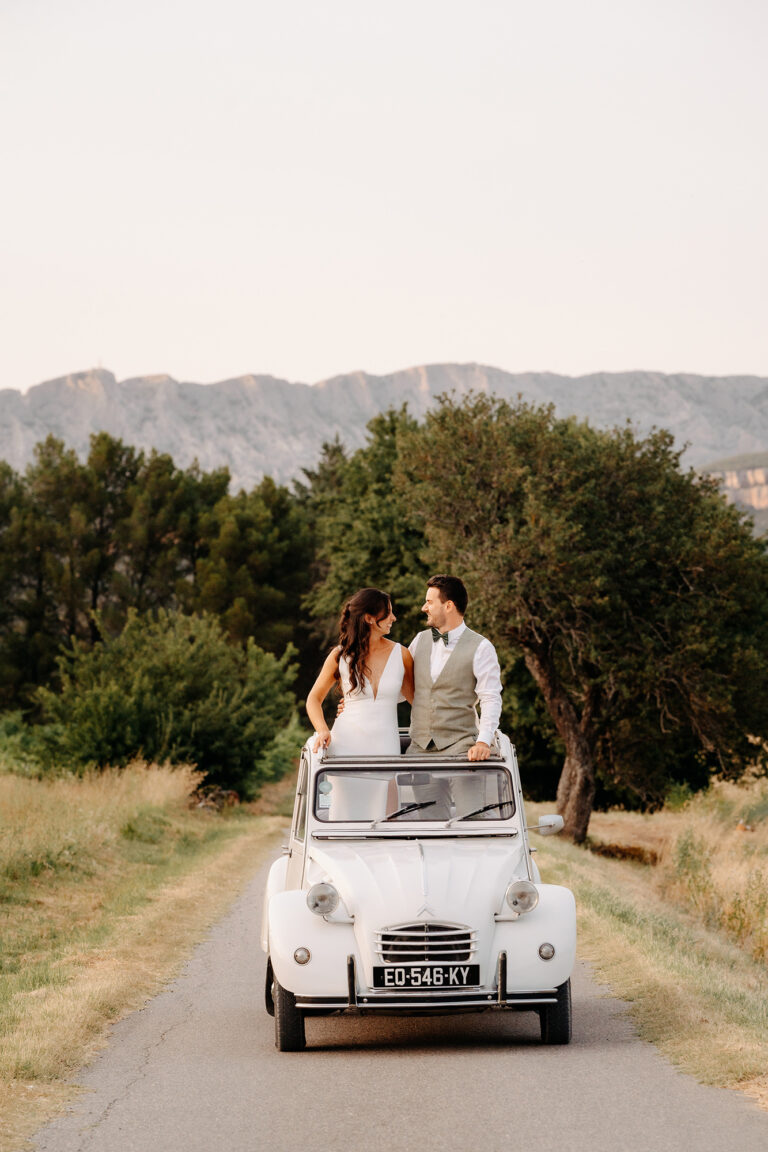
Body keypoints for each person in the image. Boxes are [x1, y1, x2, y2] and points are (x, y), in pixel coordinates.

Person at [306, 587, 414, 755]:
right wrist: (322, 730)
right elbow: (313, 699)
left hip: (387, 748)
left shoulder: (402, 654)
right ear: (369, 618)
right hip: (344, 747)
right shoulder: (340, 656)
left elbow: (417, 700)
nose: (394, 618)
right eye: (389, 613)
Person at [407, 574, 502, 762]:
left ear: (448, 606)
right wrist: (361, 699)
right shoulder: (419, 641)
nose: (423, 608)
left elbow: (490, 697)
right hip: (418, 749)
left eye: (429, 602)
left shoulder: (482, 647)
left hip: (462, 748)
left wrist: (483, 742)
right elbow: (400, 686)